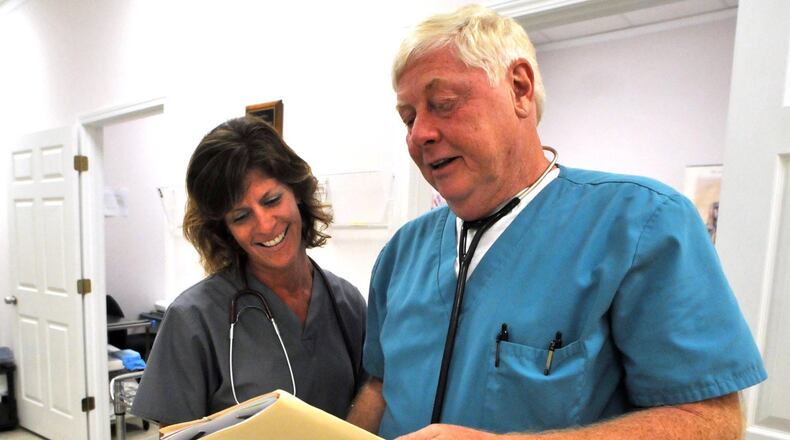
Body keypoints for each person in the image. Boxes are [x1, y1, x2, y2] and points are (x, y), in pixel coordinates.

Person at [347, 4, 766, 439]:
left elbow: (711, 421)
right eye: (409, 117)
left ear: (520, 88)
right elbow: (380, 386)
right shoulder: (402, 253)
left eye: (444, 104)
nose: (419, 135)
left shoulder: (643, 224)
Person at [132, 116, 366, 426]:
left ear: (296, 191)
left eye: (272, 200)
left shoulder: (345, 303)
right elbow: (175, 433)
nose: (266, 224)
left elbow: (371, 397)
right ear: (225, 230)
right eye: (241, 216)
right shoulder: (193, 319)